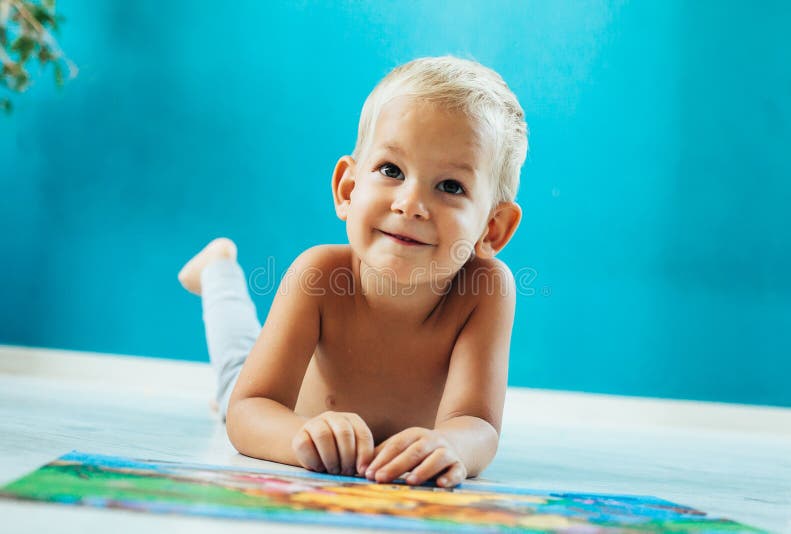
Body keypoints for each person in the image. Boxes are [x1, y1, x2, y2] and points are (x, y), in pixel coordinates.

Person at [177, 56, 528, 488]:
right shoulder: (320, 274)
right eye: (391, 170)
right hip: (284, 401)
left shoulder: (485, 290)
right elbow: (250, 407)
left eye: (450, 186)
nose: (410, 204)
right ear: (348, 189)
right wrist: (298, 435)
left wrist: (453, 446)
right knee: (236, 368)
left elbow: (477, 423)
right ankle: (218, 270)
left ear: (492, 228)